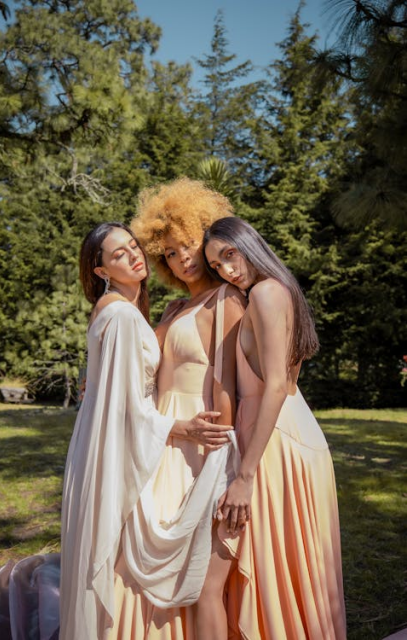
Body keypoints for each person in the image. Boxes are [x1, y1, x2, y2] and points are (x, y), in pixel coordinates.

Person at [59, 221, 238, 640]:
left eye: (134, 246)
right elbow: (122, 409)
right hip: (129, 441)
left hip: (124, 443)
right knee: (123, 556)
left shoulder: (126, 311)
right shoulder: (120, 315)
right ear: (102, 272)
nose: (134, 255)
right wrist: (182, 428)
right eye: (118, 254)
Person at [107, 178, 246, 640]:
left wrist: (223, 460)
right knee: (134, 554)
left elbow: (227, 383)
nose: (180, 257)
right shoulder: (175, 306)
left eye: (186, 245)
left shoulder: (227, 301)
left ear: (204, 237)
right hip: (160, 437)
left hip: (195, 447)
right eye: (168, 253)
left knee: (184, 564)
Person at [203, 216, 347, 640]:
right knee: (276, 568)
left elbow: (278, 386)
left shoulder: (266, 293)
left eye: (229, 255)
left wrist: (245, 475)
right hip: (283, 435)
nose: (227, 270)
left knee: (238, 571)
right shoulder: (275, 292)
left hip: (274, 445)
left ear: (249, 244)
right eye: (216, 265)